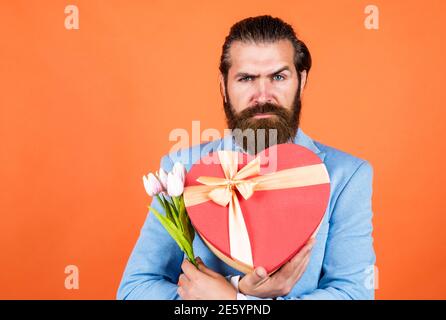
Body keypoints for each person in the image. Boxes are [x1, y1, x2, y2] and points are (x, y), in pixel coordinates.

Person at [117, 15, 376, 300]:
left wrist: (234, 301)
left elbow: (354, 294)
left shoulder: (348, 175)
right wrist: (237, 287)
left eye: (278, 77)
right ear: (223, 86)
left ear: (301, 81)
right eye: (246, 78)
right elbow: (133, 291)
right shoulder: (182, 169)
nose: (263, 95)